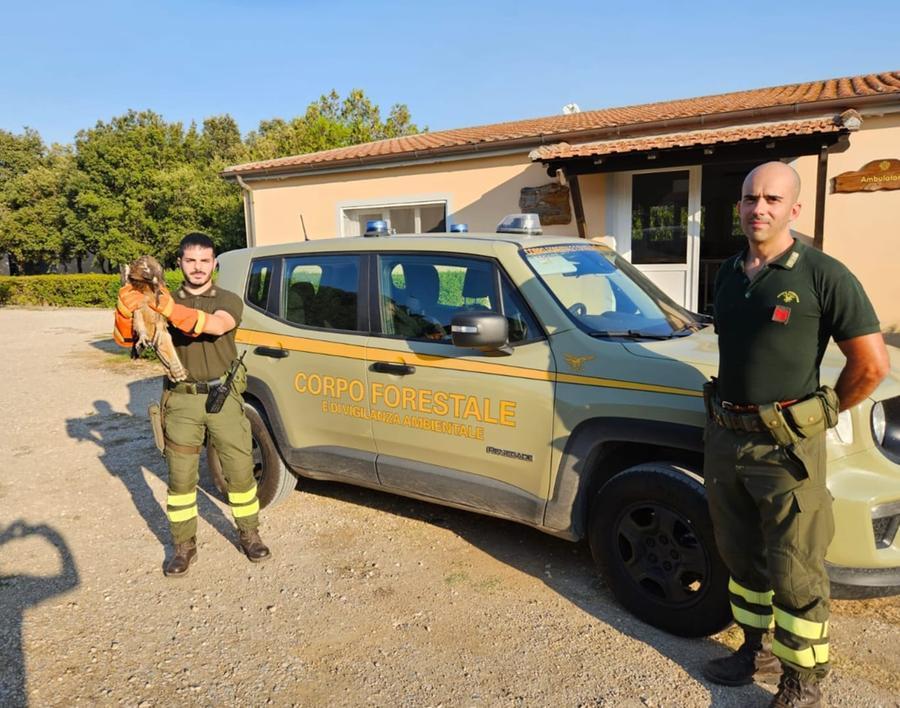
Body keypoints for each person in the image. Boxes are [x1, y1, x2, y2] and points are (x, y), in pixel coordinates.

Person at [701, 162, 889, 707]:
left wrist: (824, 409)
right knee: (741, 554)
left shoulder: (823, 274)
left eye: (772, 199)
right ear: (738, 206)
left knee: (796, 567)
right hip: (725, 436)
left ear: (794, 209)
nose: (758, 208)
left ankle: (803, 682)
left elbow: (871, 364)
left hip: (785, 447)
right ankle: (753, 649)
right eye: (749, 198)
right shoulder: (732, 272)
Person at [115, 232, 271, 576]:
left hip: (224, 396)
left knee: (241, 472)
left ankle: (249, 534)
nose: (198, 267)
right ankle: (183, 546)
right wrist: (127, 311)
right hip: (181, 400)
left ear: (214, 264)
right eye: (190, 260)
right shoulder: (159, 298)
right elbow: (128, 341)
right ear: (180, 263)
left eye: (204, 261)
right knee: (181, 481)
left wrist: (167, 308)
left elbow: (216, 326)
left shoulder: (227, 298)